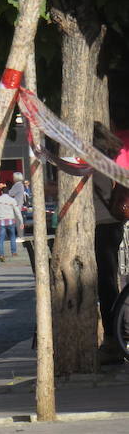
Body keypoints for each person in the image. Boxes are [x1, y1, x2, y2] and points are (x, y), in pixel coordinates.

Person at [91, 122, 126, 363]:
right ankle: (114, 334)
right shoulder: (109, 159)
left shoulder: (93, 161)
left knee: (105, 282)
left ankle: (113, 337)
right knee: (107, 280)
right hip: (111, 223)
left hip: (100, 224)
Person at [0, 184, 22, 260]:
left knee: (1, 238)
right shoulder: (12, 200)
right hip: (11, 220)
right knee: (12, 237)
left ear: (1, 192)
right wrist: (21, 221)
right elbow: (17, 211)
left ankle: (1, 254)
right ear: (8, 192)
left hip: (1, 221)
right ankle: (14, 252)